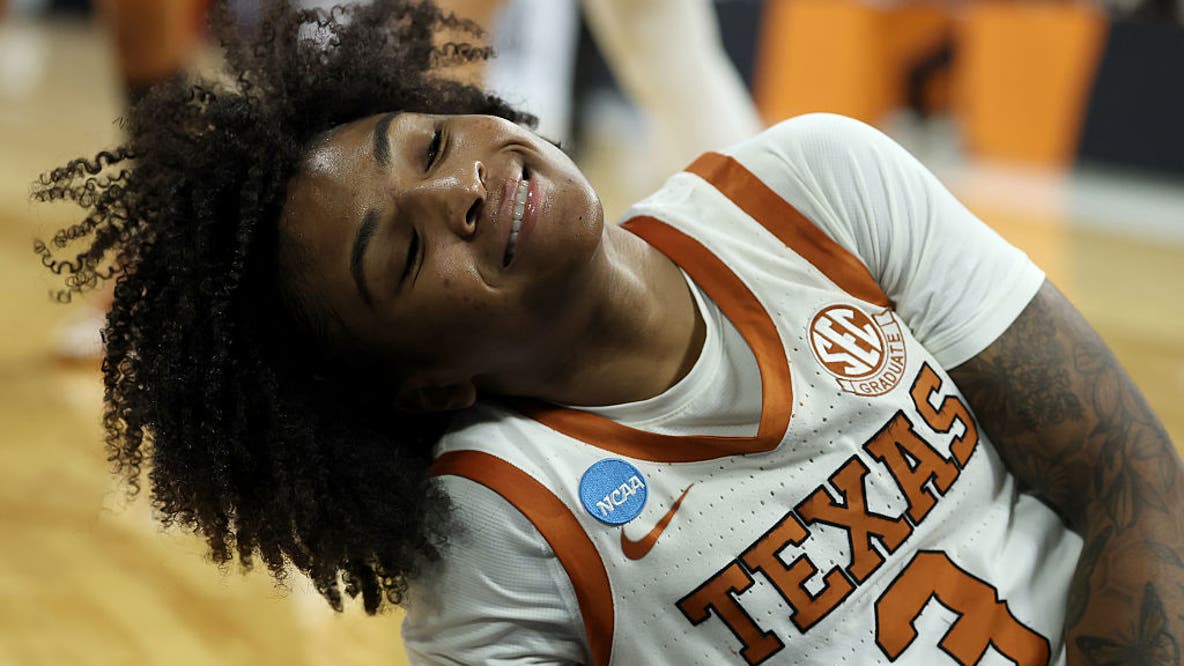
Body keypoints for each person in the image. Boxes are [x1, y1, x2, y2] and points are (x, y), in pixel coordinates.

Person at [32, 2, 1182, 664]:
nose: (457, 194)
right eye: (399, 255)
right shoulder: (495, 534)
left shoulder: (817, 181)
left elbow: (1132, 476)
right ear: (426, 384)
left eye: (434, 144)